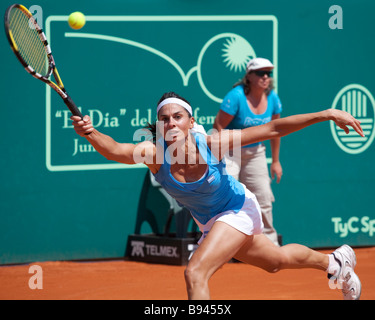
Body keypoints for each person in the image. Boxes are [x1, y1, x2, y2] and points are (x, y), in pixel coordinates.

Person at [71, 91, 363, 300]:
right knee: (275, 262)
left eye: (178, 117)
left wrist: (326, 114)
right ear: (159, 126)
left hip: (238, 208)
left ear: (190, 121)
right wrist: (90, 133)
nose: (171, 123)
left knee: (195, 272)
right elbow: (113, 149)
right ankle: (335, 262)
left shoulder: (213, 144)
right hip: (211, 222)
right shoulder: (154, 154)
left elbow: (273, 127)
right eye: (165, 119)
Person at [214, 57, 282, 246]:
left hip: (256, 153)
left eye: (268, 73)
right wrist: (219, 156)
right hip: (231, 152)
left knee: (264, 198)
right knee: (225, 197)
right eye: (260, 73)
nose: (265, 77)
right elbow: (219, 125)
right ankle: (222, 246)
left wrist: (275, 161)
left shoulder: (273, 98)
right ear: (249, 76)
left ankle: (271, 245)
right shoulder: (235, 97)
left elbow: (276, 130)